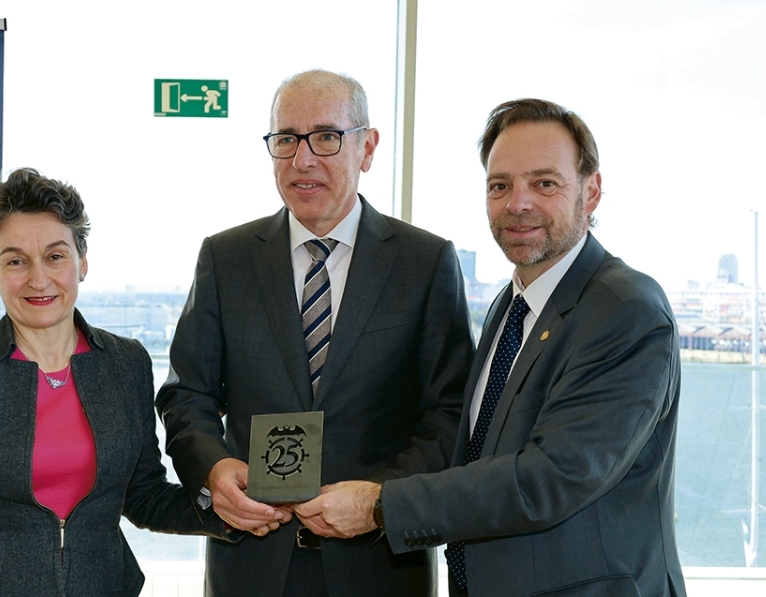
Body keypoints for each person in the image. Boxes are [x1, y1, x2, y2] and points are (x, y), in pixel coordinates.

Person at [293, 98, 687, 596]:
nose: (517, 204)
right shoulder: (512, 302)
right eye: (500, 185)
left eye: (545, 183)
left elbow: (552, 478)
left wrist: (379, 505)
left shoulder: (626, 310)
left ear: (591, 192)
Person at [155, 69, 475, 597]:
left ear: (367, 148)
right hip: (251, 561)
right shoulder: (226, 257)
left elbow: (450, 410)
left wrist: (379, 499)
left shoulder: (425, 261)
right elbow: (187, 394)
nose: (303, 159)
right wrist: (213, 469)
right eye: (286, 139)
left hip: (379, 566)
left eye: (326, 137)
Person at [0, 168, 223, 597]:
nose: (38, 279)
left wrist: (225, 507)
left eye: (55, 256)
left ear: (82, 262)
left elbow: (143, 496)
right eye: (15, 261)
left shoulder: (126, 364)